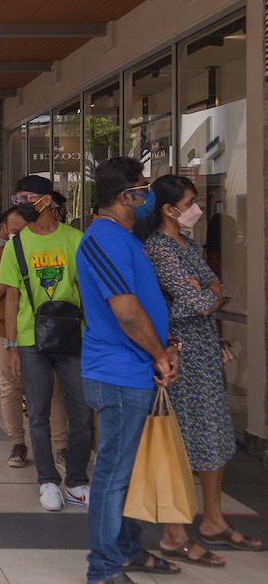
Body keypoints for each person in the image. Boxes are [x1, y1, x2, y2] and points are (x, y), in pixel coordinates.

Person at [136, 175, 261, 563]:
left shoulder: (186, 244)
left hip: (204, 354)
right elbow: (199, 300)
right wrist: (207, 295)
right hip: (179, 355)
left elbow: (216, 290)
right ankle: (176, 532)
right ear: (168, 209)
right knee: (182, 440)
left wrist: (209, 294)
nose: (196, 209)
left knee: (215, 434)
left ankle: (213, 520)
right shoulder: (158, 248)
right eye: (189, 202)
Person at [77, 157, 182, 582]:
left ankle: (128, 549)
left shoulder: (124, 237)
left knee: (127, 471)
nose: (148, 194)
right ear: (125, 197)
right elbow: (126, 312)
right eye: (143, 186)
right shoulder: (103, 238)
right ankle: (103, 568)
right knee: (112, 476)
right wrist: (159, 353)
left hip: (134, 370)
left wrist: (165, 348)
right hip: (117, 375)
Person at [0, 174, 92, 512]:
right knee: (36, 413)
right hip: (29, 340)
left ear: (47, 200)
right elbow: (11, 299)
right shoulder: (16, 244)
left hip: (73, 337)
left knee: (80, 413)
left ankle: (78, 482)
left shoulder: (76, 239)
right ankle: (48, 481)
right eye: (17, 195)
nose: (22, 202)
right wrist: (10, 346)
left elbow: (85, 292)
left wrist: (93, 333)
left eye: (27, 196)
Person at [0, 208, 69, 468]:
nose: (20, 236)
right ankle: (17, 443)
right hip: (2, 330)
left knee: (53, 389)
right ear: (3, 230)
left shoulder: (44, 252)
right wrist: (5, 282)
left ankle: (62, 447)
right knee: (10, 389)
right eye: (14, 232)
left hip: (45, 330)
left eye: (25, 229)